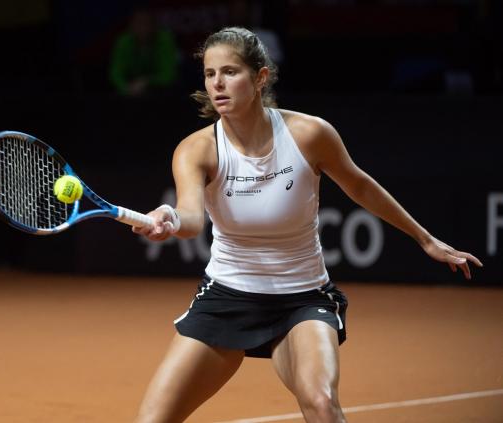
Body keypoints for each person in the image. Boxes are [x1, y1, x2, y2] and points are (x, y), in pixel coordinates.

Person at [132, 27, 482, 423]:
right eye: (210, 74)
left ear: (260, 77)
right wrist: (170, 218)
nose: (217, 84)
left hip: (302, 299)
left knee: (321, 404)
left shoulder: (309, 134)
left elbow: (360, 186)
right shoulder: (196, 149)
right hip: (227, 297)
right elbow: (192, 217)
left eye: (230, 72)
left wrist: (426, 239)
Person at [109, 8, 178, 97]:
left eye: (146, 23)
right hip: (129, 93)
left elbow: (168, 75)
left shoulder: (165, 40)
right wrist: (126, 88)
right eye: (138, 23)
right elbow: (115, 72)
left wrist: (147, 82)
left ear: (154, 25)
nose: (142, 28)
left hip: (159, 93)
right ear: (131, 25)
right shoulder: (124, 42)